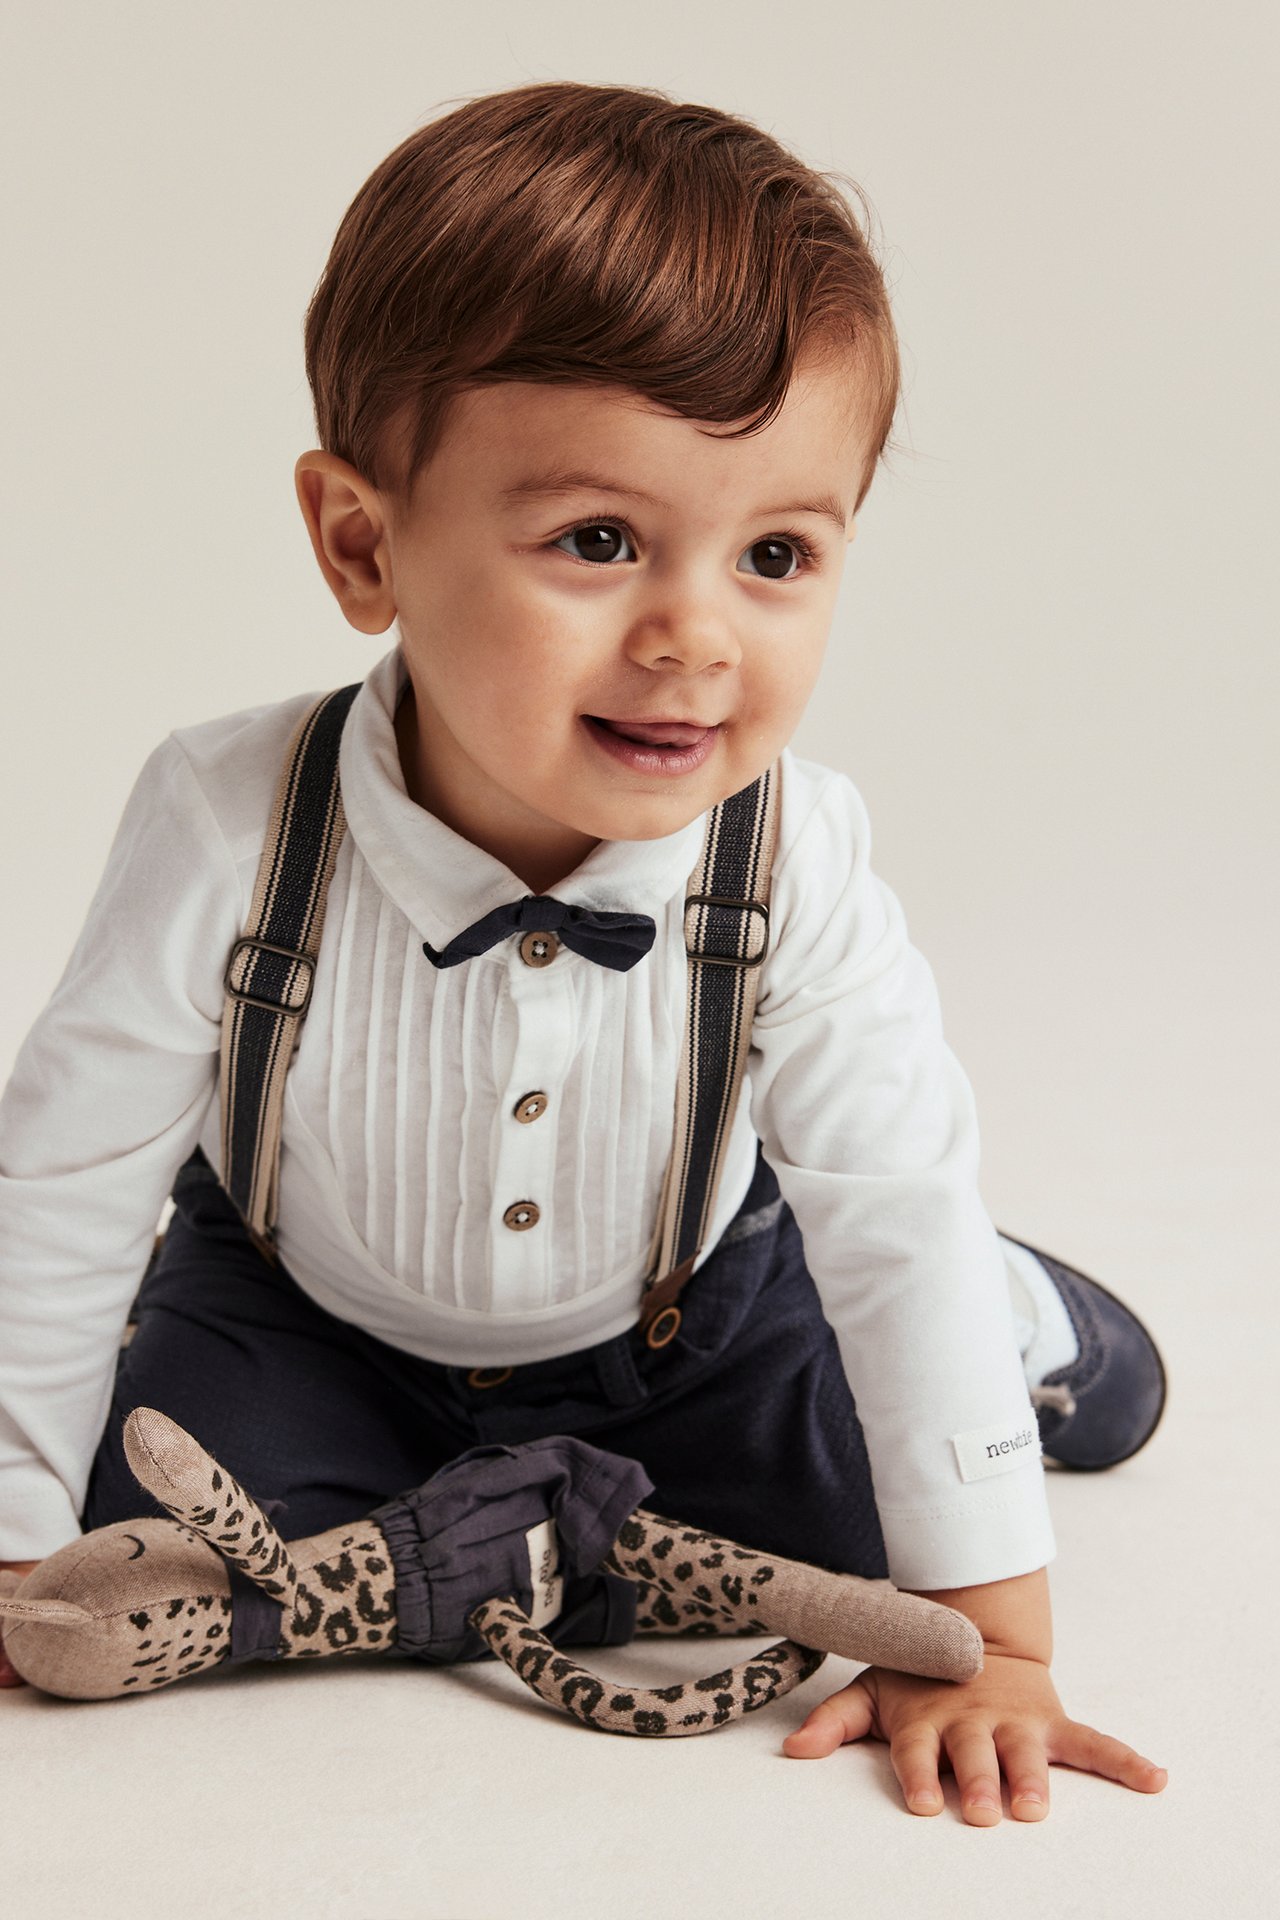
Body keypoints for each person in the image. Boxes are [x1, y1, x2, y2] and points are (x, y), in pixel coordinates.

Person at [0, 79, 1167, 1821]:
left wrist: (993, 1644)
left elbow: (888, 1203)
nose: (693, 634)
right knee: (151, 1540)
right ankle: (519, 1510)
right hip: (311, 1306)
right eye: (600, 542)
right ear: (362, 542)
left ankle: (1026, 1316)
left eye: (775, 553)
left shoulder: (796, 856)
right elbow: (64, 1187)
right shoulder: (231, 815)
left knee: (879, 1532)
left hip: (686, 1312)